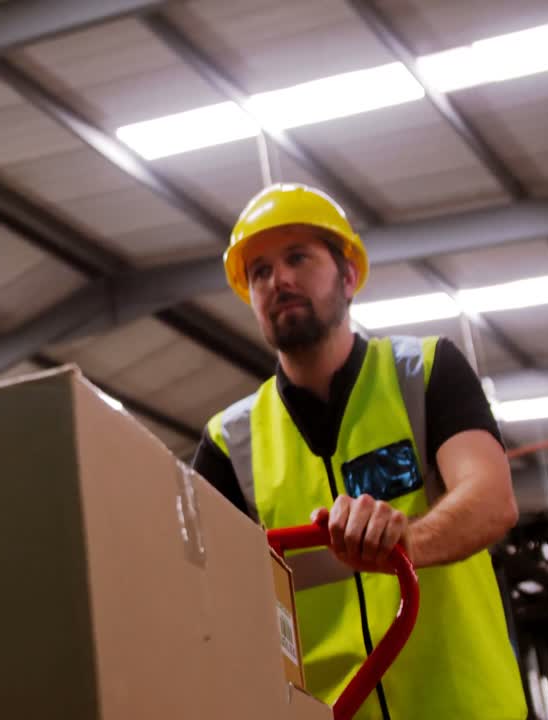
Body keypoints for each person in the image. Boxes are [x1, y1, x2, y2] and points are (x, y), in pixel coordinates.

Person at [191, 183, 527, 719]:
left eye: (297, 257)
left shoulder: (425, 371)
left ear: (348, 275)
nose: (278, 279)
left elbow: (491, 499)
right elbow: (203, 595)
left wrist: (406, 542)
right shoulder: (228, 444)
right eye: (259, 271)